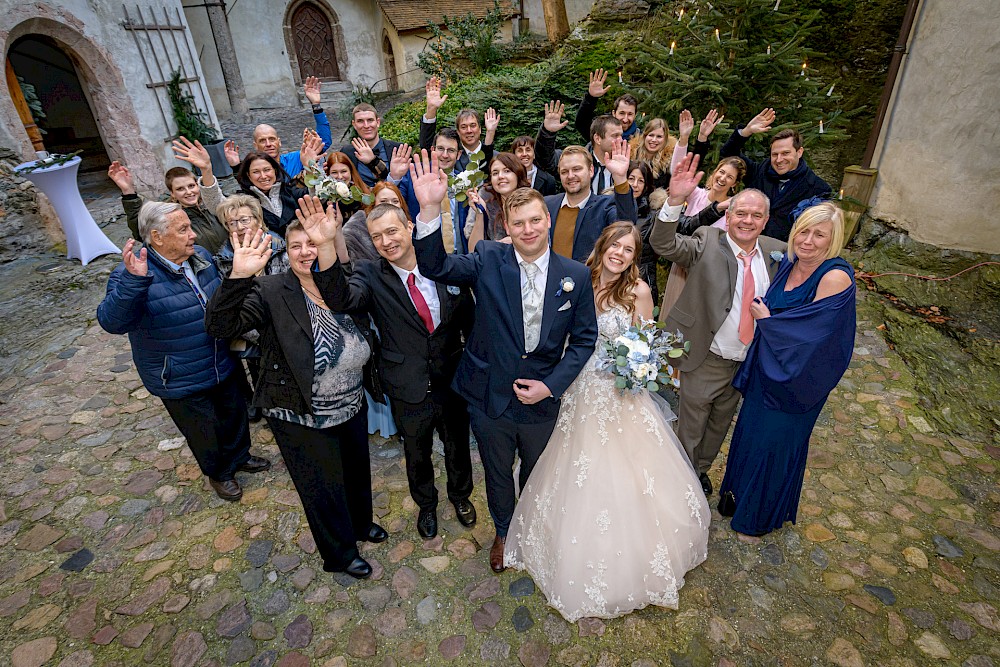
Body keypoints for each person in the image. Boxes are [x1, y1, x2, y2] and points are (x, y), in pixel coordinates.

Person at [504, 221, 709, 621]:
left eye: (628, 249)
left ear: (634, 257)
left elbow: (647, 347)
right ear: (602, 246)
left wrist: (636, 370)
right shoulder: (576, 279)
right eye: (615, 245)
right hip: (575, 384)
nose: (619, 253)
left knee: (627, 470)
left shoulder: (639, 292)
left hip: (617, 392)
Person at [410, 149, 598, 573]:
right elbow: (436, 265)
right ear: (507, 229)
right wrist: (428, 210)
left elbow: (585, 340)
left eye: (535, 220)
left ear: (547, 220)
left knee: (537, 471)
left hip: (542, 398)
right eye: (518, 223)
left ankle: (534, 528)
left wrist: (552, 385)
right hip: (488, 392)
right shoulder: (487, 259)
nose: (528, 229)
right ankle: (503, 530)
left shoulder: (576, 275)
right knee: (497, 472)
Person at [204, 197, 389, 578]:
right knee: (321, 486)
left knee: (355, 470)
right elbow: (221, 328)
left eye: (313, 243)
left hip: (351, 402)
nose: (305, 252)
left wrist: (328, 250)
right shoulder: (271, 291)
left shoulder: (345, 280)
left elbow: (342, 297)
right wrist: (238, 277)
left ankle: (359, 524)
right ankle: (339, 553)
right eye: (296, 246)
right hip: (299, 411)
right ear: (285, 253)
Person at [316, 202, 477, 540]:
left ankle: (460, 496)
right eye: (377, 237)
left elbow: (469, 319)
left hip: (452, 379)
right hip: (407, 384)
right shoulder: (369, 274)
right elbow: (341, 300)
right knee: (415, 451)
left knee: (458, 444)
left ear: (409, 226)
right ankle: (427, 504)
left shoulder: (442, 265)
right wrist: (325, 246)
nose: (386, 242)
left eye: (392, 231)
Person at [97, 202, 270, 502]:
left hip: (220, 359)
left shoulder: (200, 256)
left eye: (190, 226)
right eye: (183, 229)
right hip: (178, 374)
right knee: (204, 431)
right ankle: (219, 473)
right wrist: (134, 284)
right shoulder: (132, 273)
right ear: (157, 237)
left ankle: (240, 456)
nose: (193, 235)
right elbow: (112, 322)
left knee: (234, 415)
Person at [649, 154, 786, 495]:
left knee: (720, 424)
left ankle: (701, 469)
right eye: (741, 213)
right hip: (707, 354)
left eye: (756, 215)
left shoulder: (778, 252)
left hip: (747, 360)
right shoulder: (708, 240)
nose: (747, 220)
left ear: (766, 221)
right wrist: (675, 200)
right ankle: (679, 478)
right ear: (729, 215)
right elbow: (663, 244)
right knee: (692, 424)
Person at [719, 202, 855, 535]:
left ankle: (758, 515)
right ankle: (735, 496)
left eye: (819, 234)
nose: (808, 240)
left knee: (774, 442)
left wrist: (767, 322)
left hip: (798, 381)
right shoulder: (790, 264)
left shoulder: (834, 277)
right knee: (749, 435)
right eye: (803, 231)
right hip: (767, 369)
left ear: (833, 240)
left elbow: (815, 339)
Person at [660, 110, 746, 317]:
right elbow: (679, 172)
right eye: (721, 172)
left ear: (734, 184)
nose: (723, 178)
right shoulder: (697, 195)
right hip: (682, 264)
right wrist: (684, 138)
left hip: (708, 272)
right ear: (715, 172)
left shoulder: (732, 210)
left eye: (730, 177)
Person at [536, 101, 638, 262]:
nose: (571, 176)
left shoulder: (605, 206)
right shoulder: (546, 205)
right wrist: (547, 133)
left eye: (577, 169)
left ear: (590, 171)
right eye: (564, 172)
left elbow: (626, 224)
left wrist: (620, 178)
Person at [719, 107, 832, 241]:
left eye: (785, 153)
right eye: (775, 154)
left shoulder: (818, 189)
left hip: (783, 255)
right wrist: (745, 132)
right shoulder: (758, 171)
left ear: (799, 152)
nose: (779, 160)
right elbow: (728, 155)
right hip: (746, 245)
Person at [109, 140, 230, 254]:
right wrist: (128, 192)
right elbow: (142, 229)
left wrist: (207, 169)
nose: (188, 192)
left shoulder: (213, 206)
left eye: (191, 186)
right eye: (180, 189)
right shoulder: (170, 215)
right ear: (172, 193)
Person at [223, 77, 332, 180]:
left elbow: (324, 142)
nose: (268, 144)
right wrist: (236, 166)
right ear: (255, 145)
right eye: (262, 141)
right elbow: (247, 187)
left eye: (272, 139)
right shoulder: (254, 169)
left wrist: (316, 105)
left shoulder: (296, 159)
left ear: (279, 142)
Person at [392, 129, 472, 254]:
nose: (445, 155)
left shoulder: (466, 181)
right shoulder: (415, 177)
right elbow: (392, 202)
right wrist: (394, 177)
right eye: (440, 149)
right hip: (423, 252)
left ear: (459, 154)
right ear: (432, 150)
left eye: (451, 150)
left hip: (459, 254)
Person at [203, 151, 310, 237]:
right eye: (256, 172)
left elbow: (317, 195)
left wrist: (311, 165)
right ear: (248, 176)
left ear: (275, 171)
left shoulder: (291, 190)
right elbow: (217, 205)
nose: (263, 176)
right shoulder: (244, 200)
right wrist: (206, 170)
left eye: (267, 170)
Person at [419, 76, 497, 174]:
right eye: (463, 127)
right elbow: (427, 147)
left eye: (473, 125)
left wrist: (490, 132)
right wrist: (431, 109)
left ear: (480, 129)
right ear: (458, 132)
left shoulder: (496, 157)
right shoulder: (452, 157)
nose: (469, 130)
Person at [466, 152, 531, 246]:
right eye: (495, 173)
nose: (500, 176)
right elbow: (473, 250)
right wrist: (480, 212)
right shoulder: (488, 203)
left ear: (518, 174)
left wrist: (516, 242)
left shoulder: (532, 203)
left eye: (507, 171)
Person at [343, 181, 411, 265]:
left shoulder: (410, 227)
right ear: (374, 204)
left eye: (395, 201)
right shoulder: (357, 226)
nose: (390, 205)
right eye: (383, 201)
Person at [338, 103, 405, 187]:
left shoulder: (398, 149)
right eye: (360, 121)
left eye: (370, 120)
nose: (366, 126)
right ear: (354, 125)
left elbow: (406, 184)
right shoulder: (347, 152)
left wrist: (373, 161)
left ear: (378, 122)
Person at [574, 69, 640, 141]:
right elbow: (582, 123)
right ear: (614, 113)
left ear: (635, 115)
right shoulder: (600, 132)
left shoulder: (641, 139)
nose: (625, 119)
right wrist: (591, 97)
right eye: (622, 113)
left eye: (630, 114)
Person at [629, 117, 676, 191]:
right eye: (651, 135)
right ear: (645, 136)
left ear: (665, 139)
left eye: (659, 137)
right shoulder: (632, 154)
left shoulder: (670, 158)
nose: (654, 140)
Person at [324, 151, 372, 220]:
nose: (340, 177)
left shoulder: (363, 193)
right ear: (328, 174)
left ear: (350, 171)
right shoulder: (324, 197)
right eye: (334, 172)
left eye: (343, 171)